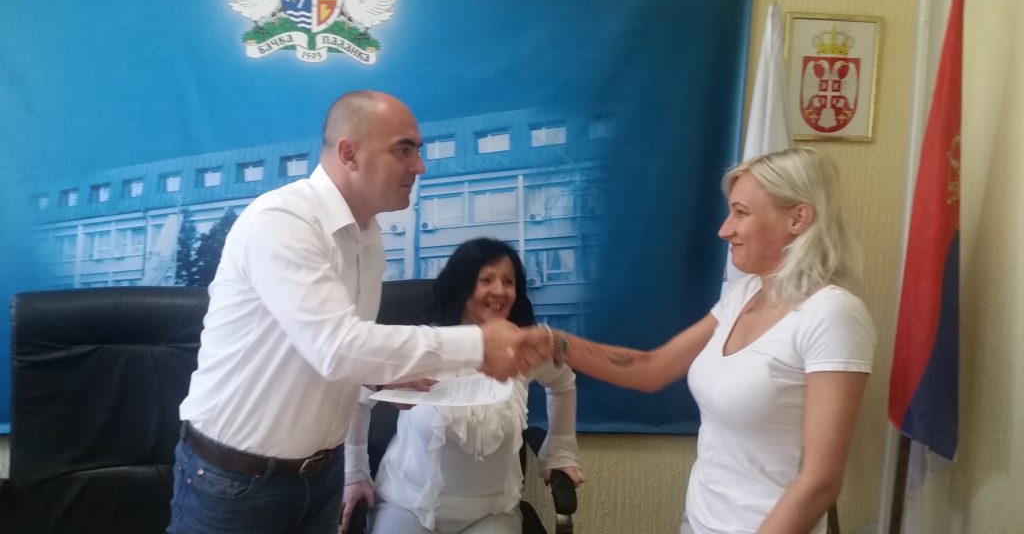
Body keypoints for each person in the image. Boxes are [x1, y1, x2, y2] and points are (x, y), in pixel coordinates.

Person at [168, 91, 552, 534]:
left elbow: (329, 349)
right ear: (349, 154)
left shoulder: (367, 237)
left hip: (320, 475)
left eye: (417, 151)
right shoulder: (282, 220)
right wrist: (479, 343)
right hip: (238, 483)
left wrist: (379, 376)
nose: (419, 166)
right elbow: (336, 347)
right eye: (403, 150)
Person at [544, 147, 875, 534]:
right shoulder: (742, 294)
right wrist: (552, 342)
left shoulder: (832, 314)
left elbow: (820, 482)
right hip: (700, 523)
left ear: (797, 218)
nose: (725, 229)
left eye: (741, 212)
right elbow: (652, 369)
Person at [340, 238, 584, 534]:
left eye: (508, 281)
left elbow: (563, 382)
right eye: (486, 280)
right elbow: (358, 393)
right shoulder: (423, 346)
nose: (500, 290)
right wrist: (355, 471)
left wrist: (560, 451)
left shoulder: (524, 351)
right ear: (462, 285)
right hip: (408, 502)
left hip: (491, 511)